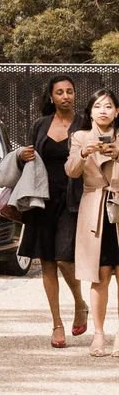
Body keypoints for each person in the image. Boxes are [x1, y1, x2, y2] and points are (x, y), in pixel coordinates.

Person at [12, 75, 88, 348]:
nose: (65, 96)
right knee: (46, 262)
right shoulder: (40, 125)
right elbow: (30, 161)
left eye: (70, 91)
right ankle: (56, 324)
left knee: (65, 258)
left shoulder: (84, 124)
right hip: (42, 201)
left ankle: (80, 304)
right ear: (51, 97)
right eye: (60, 92)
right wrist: (22, 156)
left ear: (75, 95)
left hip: (73, 201)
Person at [68, 88, 119, 357]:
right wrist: (84, 153)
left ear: (117, 111)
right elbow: (71, 171)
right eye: (98, 106)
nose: (103, 111)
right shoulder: (79, 137)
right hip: (95, 210)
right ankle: (98, 334)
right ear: (90, 111)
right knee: (99, 276)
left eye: (109, 106)